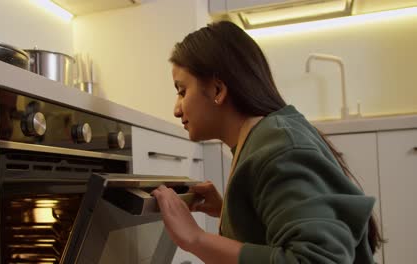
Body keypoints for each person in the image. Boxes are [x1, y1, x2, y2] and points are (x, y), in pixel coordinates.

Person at [151, 21, 384, 264]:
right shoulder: (264, 138)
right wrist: (233, 213)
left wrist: (196, 239)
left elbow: (319, 260)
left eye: (181, 91)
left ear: (218, 90)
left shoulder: (279, 147)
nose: (177, 109)